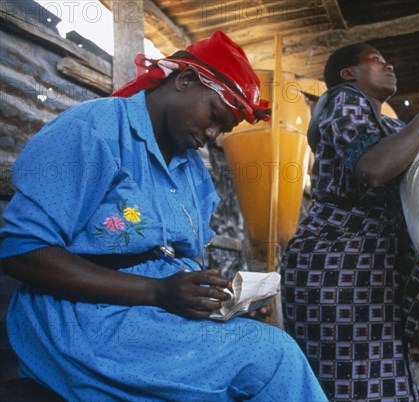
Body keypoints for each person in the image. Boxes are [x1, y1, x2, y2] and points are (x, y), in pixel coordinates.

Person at [0, 30, 327, 401]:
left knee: (263, 346)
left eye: (223, 129)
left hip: (154, 318)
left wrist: (214, 299)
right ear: (185, 80)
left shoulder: (193, 174)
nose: (211, 131)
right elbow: (22, 251)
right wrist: (156, 290)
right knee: (274, 356)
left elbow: (179, 264)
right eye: (214, 115)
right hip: (88, 322)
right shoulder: (95, 129)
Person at [281, 42, 419, 401]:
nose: (389, 66)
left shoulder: (389, 124)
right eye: (376, 60)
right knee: (352, 382)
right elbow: (374, 168)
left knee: (383, 377)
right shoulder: (343, 100)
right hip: (337, 268)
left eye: (388, 60)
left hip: (369, 267)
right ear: (348, 73)